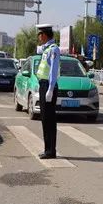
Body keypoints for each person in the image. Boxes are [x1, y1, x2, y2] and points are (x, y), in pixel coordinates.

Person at [35, 24, 60, 159]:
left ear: (44, 35)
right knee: (45, 119)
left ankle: (50, 151)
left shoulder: (54, 49)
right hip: (43, 85)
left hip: (48, 86)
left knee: (49, 119)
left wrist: (50, 88)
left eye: (39, 34)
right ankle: (48, 149)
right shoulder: (47, 49)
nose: (38, 37)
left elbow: (53, 71)